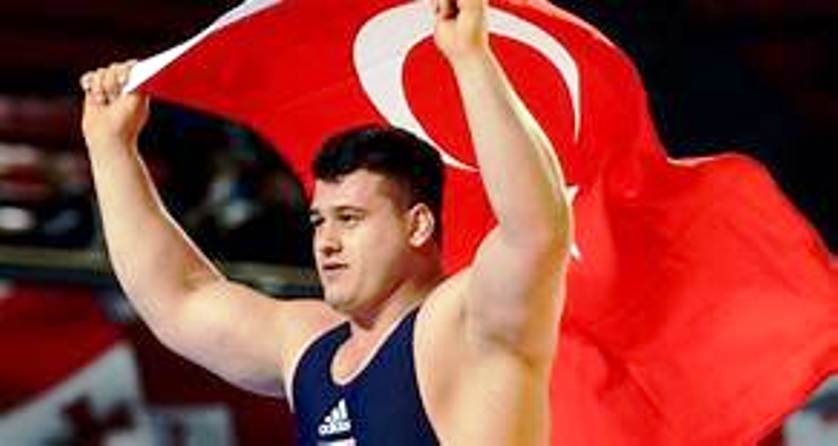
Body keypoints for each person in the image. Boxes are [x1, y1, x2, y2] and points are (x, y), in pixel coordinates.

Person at [79, 0, 572, 443]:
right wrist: (110, 147)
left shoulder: (464, 326)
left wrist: (471, 58)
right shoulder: (308, 346)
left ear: (418, 225)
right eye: (319, 221)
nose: (327, 242)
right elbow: (180, 297)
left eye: (350, 219)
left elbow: (534, 231)